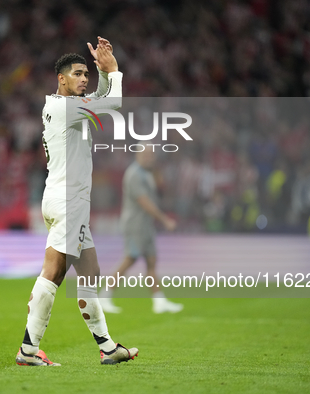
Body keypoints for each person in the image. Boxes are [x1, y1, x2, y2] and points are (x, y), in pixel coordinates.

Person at [15, 37, 138, 367]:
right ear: (61, 79)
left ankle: (108, 347)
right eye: (78, 73)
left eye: (87, 73)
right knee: (53, 273)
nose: (84, 78)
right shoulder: (65, 107)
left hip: (64, 199)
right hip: (68, 200)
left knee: (90, 273)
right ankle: (28, 350)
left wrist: (103, 74)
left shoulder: (60, 106)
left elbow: (98, 99)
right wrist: (114, 72)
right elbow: (111, 104)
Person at [99, 148, 184, 314]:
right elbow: (144, 201)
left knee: (151, 260)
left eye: (151, 154)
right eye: (145, 154)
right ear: (137, 155)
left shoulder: (147, 173)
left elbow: (159, 190)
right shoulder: (134, 175)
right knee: (130, 258)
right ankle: (104, 296)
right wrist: (164, 219)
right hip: (135, 224)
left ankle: (159, 301)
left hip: (146, 224)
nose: (149, 157)